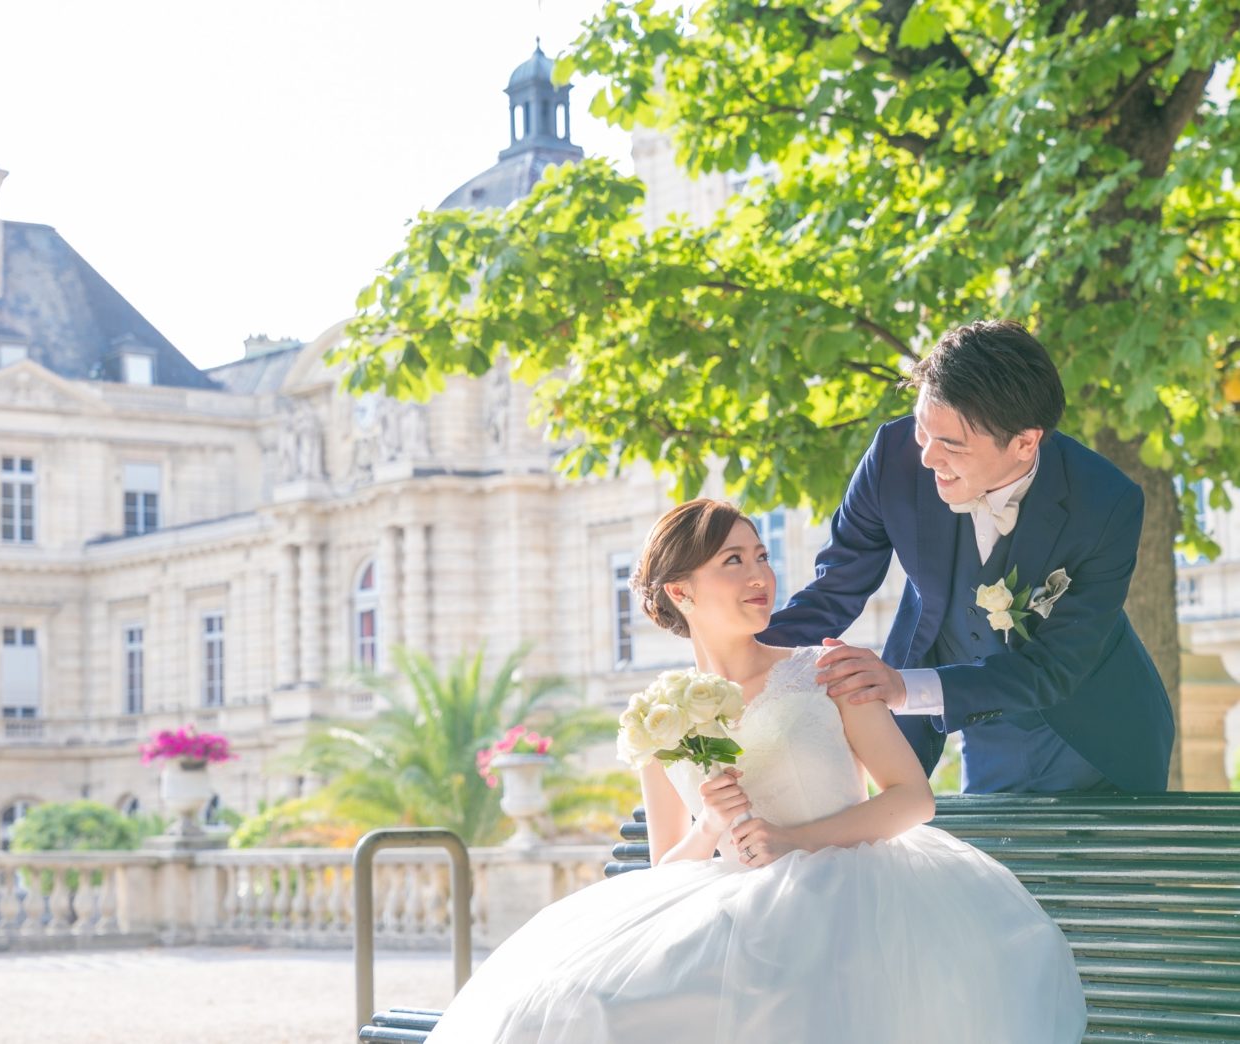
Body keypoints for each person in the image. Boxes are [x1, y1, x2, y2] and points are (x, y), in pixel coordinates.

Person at [425, 499, 1085, 1043]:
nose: (759, 574)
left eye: (762, 556)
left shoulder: (824, 668)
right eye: (733, 561)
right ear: (680, 591)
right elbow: (667, 865)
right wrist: (710, 821)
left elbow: (913, 798)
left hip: (853, 895)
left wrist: (794, 841)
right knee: (572, 1005)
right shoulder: (659, 718)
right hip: (730, 903)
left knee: (781, 1002)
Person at [761, 319, 1173, 793]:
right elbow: (833, 589)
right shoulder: (891, 459)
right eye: (923, 432)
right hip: (978, 726)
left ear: (1024, 441)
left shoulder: (1106, 504)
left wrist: (901, 687)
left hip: (1094, 732)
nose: (928, 459)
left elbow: (1055, 667)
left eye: (952, 445)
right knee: (992, 863)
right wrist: (740, 659)